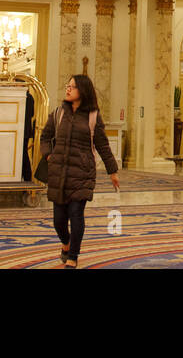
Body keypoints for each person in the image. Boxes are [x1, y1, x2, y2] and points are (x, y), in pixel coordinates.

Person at [39, 74, 119, 268]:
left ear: (82, 91)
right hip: (59, 173)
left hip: (82, 173)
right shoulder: (58, 113)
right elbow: (45, 137)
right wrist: (49, 155)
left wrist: (112, 171)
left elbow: (102, 145)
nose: (68, 89)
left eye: (72, 87)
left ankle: (73, 255)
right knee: (58, 220)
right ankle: (66, 244)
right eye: (67, 86)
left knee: (76, 214)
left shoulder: (93, 116)